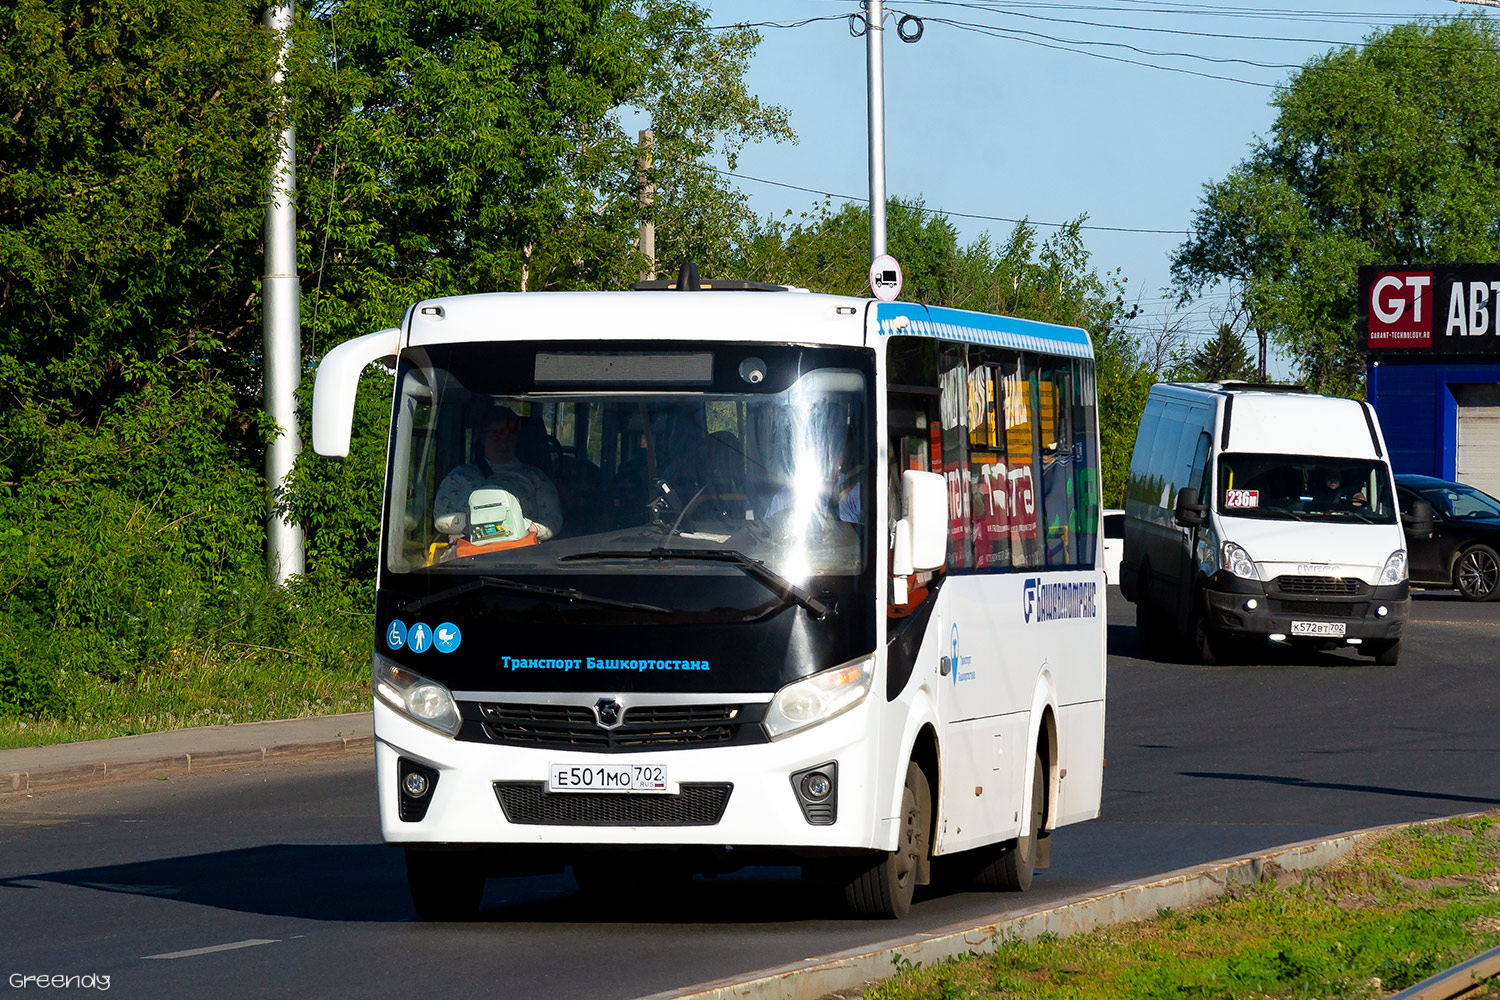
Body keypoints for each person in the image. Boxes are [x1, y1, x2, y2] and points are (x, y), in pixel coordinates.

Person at [433, 405, 563, 541]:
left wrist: (529, 528)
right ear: (482, 438)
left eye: (510, 436)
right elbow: (441, 518)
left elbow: (553, 521)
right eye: (496, 436)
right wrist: (474, 522)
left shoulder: (536, 478)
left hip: (525, 555)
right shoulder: (459, 476)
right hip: (466, 557)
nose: (503, 444)